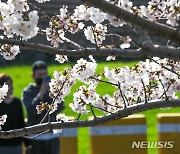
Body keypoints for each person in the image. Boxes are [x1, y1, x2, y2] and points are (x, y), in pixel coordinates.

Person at [22, 60, 64, 154]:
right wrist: (41, 93)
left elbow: (60, 107)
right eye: (39, 75)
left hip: (52, 136)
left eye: (44, 74)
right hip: (35, 137)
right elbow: (31, 111)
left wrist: (53, 93)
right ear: (33, 76)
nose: (42, 77)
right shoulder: (28, 92)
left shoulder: (52, 90)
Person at [0, 73, 25, 154]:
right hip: (1, 145)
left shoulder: (17, 102)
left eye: (11, 84)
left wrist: (27, 143)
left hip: (16, 144)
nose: (11, 87)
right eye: (8, 85)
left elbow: (21, 122)